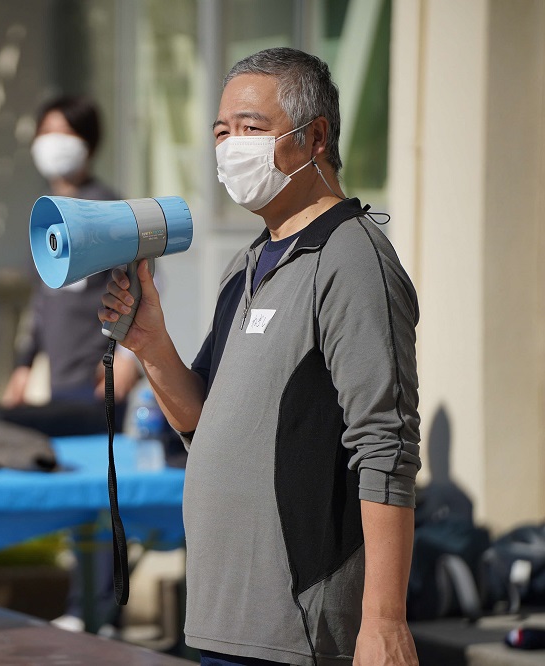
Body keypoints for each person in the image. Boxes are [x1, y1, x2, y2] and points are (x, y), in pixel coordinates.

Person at [99, 47, 422, 666]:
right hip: (224, 618)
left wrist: (384, 622)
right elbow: (205, 423)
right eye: (221, 132)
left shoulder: (351, 260)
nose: (230, 146)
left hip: (298, 628)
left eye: (251, 128)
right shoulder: (244, 266)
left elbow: (386, 445)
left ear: (316, 137)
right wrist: (150, 343)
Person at [2, 94, 140, 419]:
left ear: (88, 143)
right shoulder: (45, 214)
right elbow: (41, 298)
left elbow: (144, 284)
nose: (53, 142)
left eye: (65, 132)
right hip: (58, 378)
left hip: (100, 376)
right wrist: (23, 365)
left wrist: (126, 357)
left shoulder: (107, 209)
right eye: (46, 131)